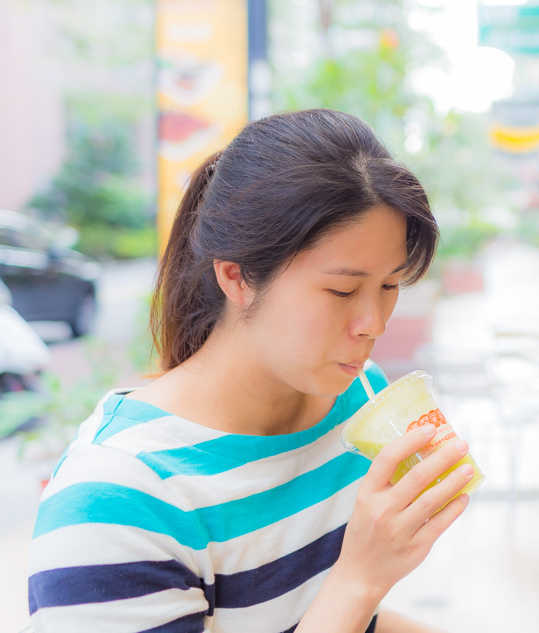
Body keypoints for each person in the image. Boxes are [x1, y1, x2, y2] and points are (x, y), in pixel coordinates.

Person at [27, 109, 474, 633]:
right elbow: (347, 602)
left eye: (391, 285)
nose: (372, 323)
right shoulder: (116, 501)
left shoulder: (362, 400)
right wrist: (359, 578)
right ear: (236, 277)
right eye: (342, 291)